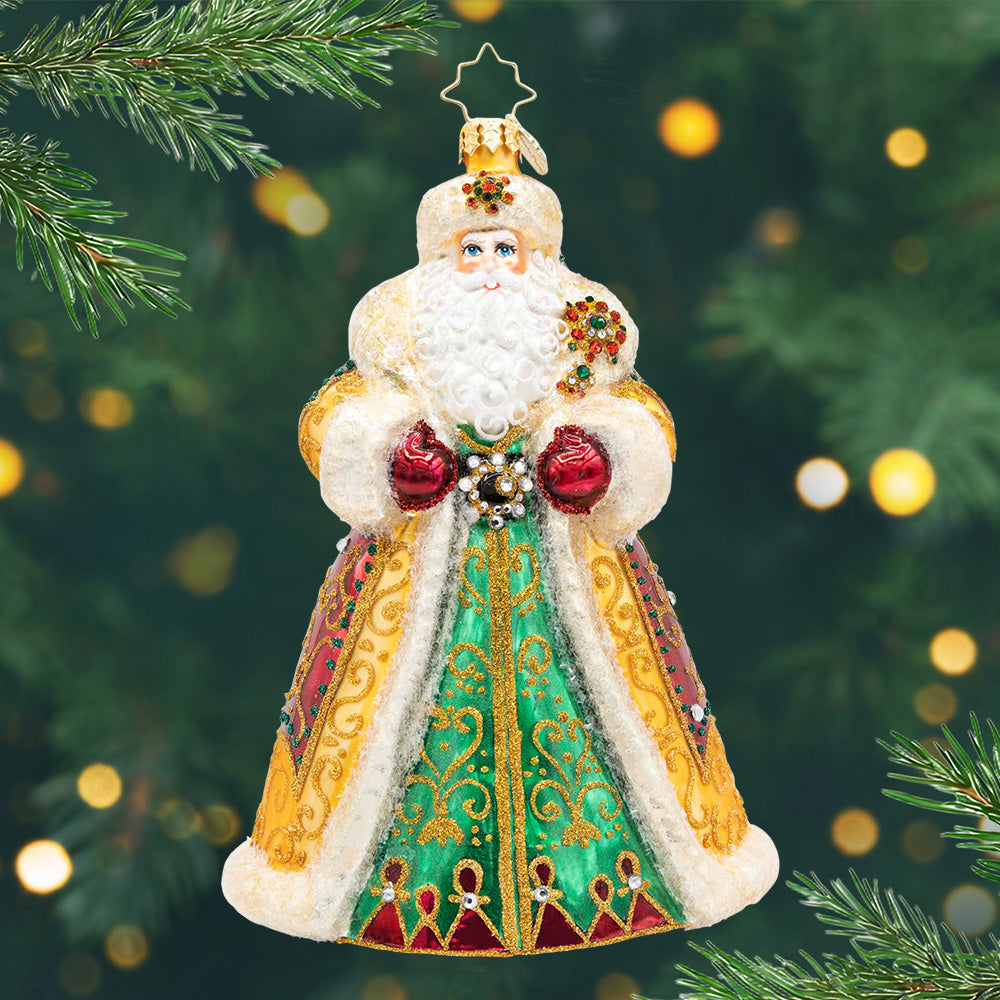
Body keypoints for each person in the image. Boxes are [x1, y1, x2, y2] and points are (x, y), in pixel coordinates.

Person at [222, 74, 778, 955]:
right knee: (394, 720)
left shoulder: (583, 336)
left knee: (604, 706)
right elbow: (333, 414)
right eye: (470, 249)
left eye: (503, 249)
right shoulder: (398, 339)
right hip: (417, 565)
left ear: (537, 259)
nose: (486, 267)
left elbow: (642, 415)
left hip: (567, 562)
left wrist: (603, 456)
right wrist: (388, 452)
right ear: (439, 262)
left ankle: (609, 872)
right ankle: (389, 882)